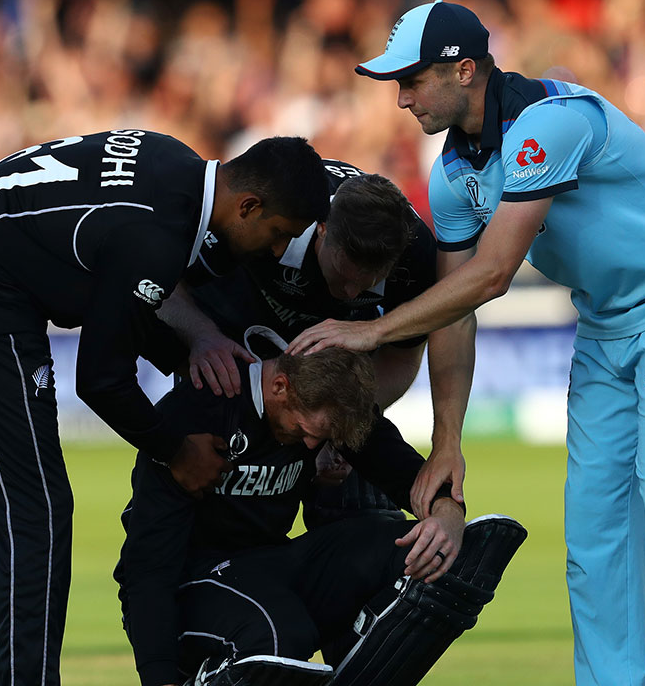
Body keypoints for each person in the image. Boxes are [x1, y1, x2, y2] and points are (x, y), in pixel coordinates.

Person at [290, 1, 645, 686]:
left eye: (412, 80)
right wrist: (448, 444)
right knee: (593, 535)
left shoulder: (548, 125)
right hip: (606, 322)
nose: (402, 98)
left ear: (464, 70)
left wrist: (372, 329)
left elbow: (493, 274)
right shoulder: (451, 176)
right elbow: (455, 314)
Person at [0, 130, 331, 686]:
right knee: (35, 512)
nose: (275, 252)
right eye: (277, 235)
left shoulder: (174, 162)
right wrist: (175, 451)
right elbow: (101, 380)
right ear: (247, 206)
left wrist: (196, 341)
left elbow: (128, 282)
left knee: (38, 511)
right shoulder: (154, 234)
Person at [114, 329, 526, 686]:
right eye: (308, 432)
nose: (314, 446)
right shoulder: (198, 411)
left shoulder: (329, 406)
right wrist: (159, 677)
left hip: (265, 566)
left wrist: (447, 512)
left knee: (420, 550)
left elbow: (401, 468)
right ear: (280, 388)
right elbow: (148, 564)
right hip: (187, 581)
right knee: (278, 638)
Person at [156, 164, 471, 524]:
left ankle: (429, 526)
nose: (351, 293)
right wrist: (201, 335)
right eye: (343, 274)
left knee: (350, 502)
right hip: (229, 339)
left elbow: (401, 359)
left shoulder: (417, 260)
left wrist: (329, 428)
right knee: (220, 504)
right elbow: (159, 277)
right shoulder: (270, 211)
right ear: (319, 228)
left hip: (332, 371)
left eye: (370, 282)